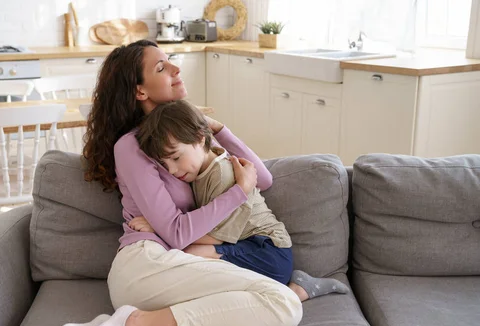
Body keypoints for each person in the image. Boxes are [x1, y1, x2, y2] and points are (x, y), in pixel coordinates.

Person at [42, 40, 343, 326]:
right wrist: (239, 192)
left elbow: (265, 178)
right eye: (161, 67)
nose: (175, 69)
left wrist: (215, 128)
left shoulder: (184, 138)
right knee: (284, 304)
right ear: (139, 91)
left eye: (171, 61)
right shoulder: (132, 145)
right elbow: (176, 232)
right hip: (147, 264)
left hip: (177, 265)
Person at [137, 99, 349, 298]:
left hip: (269, 253)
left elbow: (217, 236)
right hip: (249, 248)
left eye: (175, 158)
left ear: (200, 138)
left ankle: (289, 296)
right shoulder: (201, 169)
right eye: (165, 165)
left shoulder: (222, 173)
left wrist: (161, 227)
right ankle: (294, 291)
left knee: (194, 253)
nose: (172, 170)